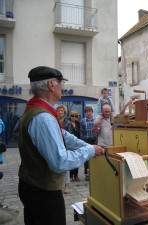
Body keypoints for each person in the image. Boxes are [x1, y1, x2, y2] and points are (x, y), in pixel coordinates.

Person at [18, 66, 105, 225]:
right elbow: (60, 162)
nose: (62, 87)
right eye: (60, 83)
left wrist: (86, 145)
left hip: (33, 187)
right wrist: (90, 150)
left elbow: (65, 136)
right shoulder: (43, 118)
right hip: (43, 193)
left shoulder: (38, 109)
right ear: (51, 85)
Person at [56, 104, 72, 194]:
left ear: (64, 112)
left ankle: (67, 186)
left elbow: (69, 136)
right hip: (56, 146)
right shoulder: (54, 121)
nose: (60, 112)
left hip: (65, 146)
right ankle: (58, 185)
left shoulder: (67, 122)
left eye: (61, 111)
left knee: (66, 166)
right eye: (58, 110)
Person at [80, 106, 98, 181]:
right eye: (87, 112)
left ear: (92, 112)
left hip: (94, 141)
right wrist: (82, 141)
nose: (88, 113)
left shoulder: (96, 120)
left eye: (90, 111)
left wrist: (97, 139)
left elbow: (98, 130)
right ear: (85, 113)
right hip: (86, 141)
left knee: (95, 157)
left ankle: (94, 173)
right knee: (87, 158)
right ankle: (87, 174)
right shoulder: (83, 121)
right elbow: (81, 132)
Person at [67, 110, 81, 182]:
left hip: (77, 144)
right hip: (70, 144)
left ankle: (76, 175)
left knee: (77, 160)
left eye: (76, 116)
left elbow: (80, 134)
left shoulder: (78, 124)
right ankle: (71, 176)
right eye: (73, 116)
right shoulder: (68, 123)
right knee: (71, 160)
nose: (74, 117)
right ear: (70, 116)